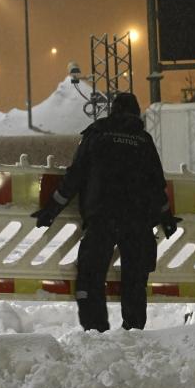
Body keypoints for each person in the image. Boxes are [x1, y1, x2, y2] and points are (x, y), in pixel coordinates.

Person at [30, 92, 181, 332]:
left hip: (102, 216)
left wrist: (51, 209)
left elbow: (75, 176)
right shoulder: (143, 140)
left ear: (113, 111)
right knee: (135, 278)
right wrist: (166, 217)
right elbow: (156, 185)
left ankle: (95, 330)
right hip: (137, 220)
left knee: (90, 276)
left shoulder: (96, 135)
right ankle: (133, 330)